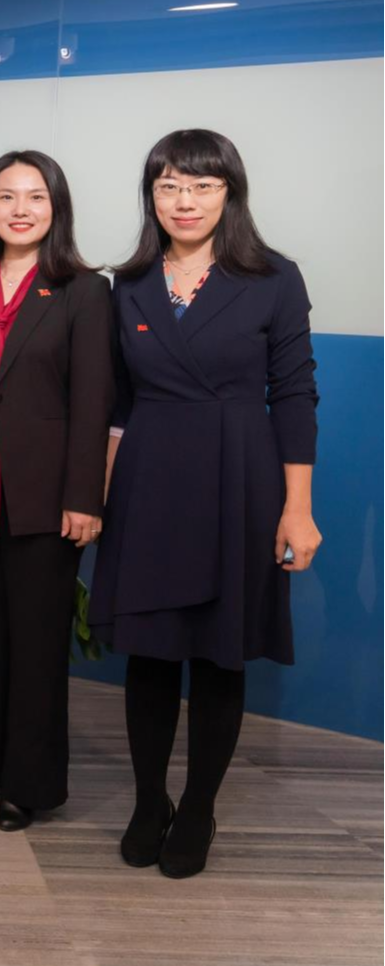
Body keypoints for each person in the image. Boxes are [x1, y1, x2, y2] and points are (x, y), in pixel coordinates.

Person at [93, 129, 319, 879]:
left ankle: (197, 807)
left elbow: (294, 396)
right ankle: (148, 800)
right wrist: (101, 496)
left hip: (238, 478)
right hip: (149, 480)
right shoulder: (127, 283)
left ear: (230, 192)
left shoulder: (272, 277)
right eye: (168, 186)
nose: (183, 201)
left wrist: (297, 509)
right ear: (151, 196)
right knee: (151, 652)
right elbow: (117, 407)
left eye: (201, 185)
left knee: (220, 653)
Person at [0, 150, 113, 830]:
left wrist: (84, 497)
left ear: (56, 208)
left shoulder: (83, 291)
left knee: (35, 642)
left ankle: (25, 784)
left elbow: (93, 402)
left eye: (35, 196)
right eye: (6, 196)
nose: (20, 209)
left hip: (42, 489)